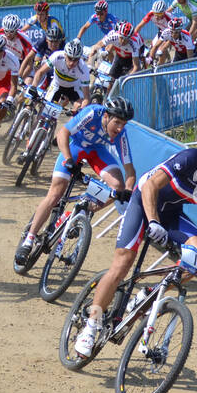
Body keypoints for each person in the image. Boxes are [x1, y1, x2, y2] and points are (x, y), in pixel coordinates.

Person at [73, 133, 197, 357]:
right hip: (144, 200)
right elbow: (150, 187)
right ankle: (90, 327)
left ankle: (149, 293)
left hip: (170, 213)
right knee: (122, 264)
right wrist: (153, 221)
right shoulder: (191, 158)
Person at [14, 96, 136, 267]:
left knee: (118, 187)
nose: (120, 127)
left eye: (124, 124)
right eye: (117, 122)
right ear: (107, 116)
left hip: (96, 152)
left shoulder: (121, 133)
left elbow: (129, 169)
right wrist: (68, 159)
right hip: (75, 146)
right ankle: (29, 239)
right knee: (56, 193)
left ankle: (81, 212)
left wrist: (128, 190)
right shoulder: (92, 112)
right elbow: (63, 133)